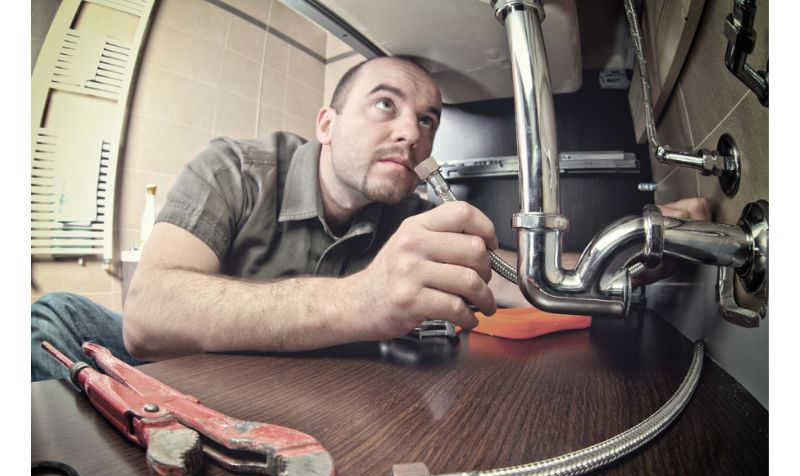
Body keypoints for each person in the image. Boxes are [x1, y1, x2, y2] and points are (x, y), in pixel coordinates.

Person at [31, 56, 710, 381]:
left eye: (426, 120)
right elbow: (148, 313)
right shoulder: (234, 170)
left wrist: (632, 251)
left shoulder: (409, 213)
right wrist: (363, 299)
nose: (411, 133)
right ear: (325, 123)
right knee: (55, 313)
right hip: (174, 378)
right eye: (384, 105)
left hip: (278, 402)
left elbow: (514, 276)